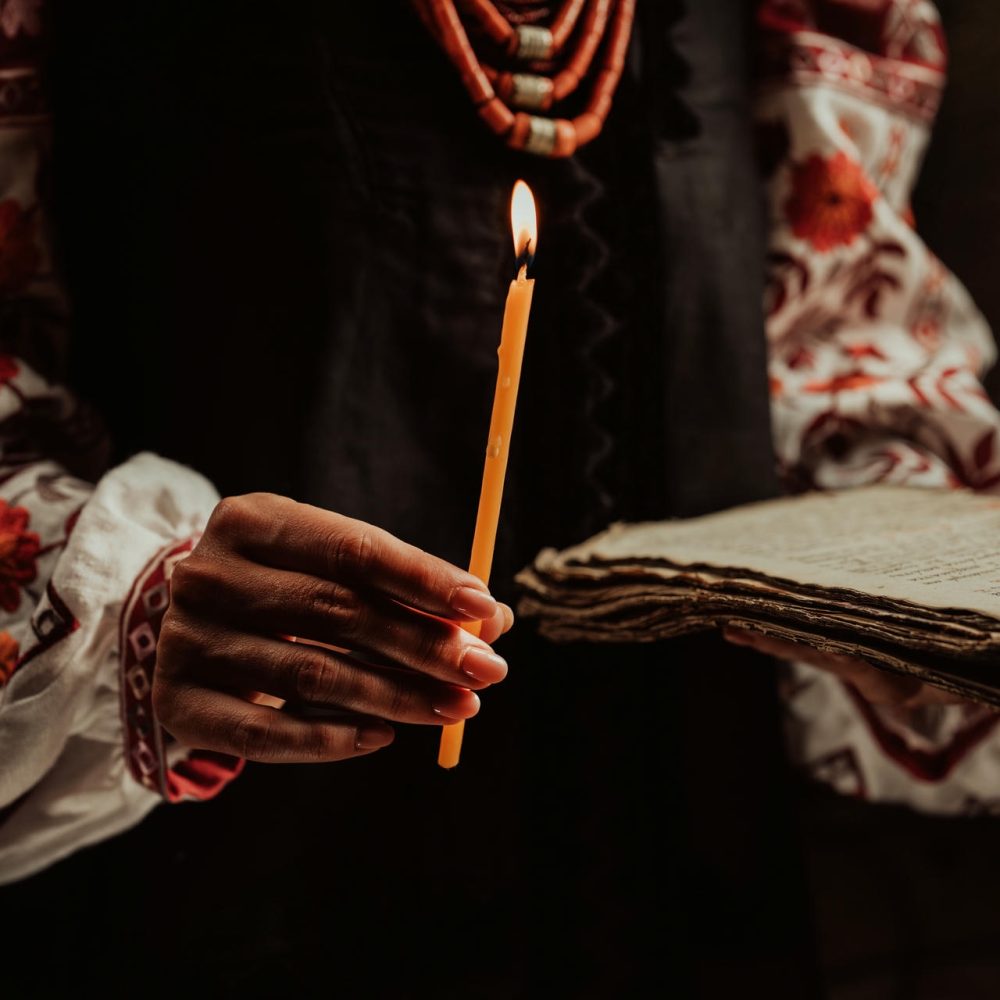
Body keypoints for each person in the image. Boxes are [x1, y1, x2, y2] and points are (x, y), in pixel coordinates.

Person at [2, 0, 1000, 994]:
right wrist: (116, 604)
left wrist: (909, 602)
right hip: (248, 866)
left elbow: (839, 343)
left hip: (681, 829)